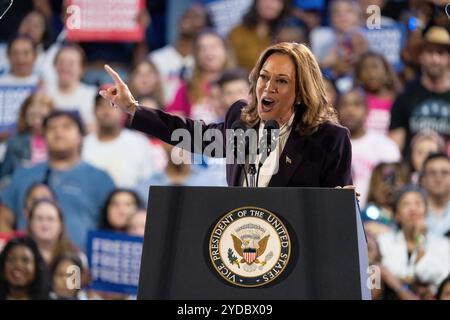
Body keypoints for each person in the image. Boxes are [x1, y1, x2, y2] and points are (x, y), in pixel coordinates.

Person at [100, 42, 353, 188]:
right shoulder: (242, 120)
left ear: (300, 91)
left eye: (282, 81)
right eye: (264, 77)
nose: (268, 87)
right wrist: (133, 107)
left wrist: (343, 204)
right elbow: (189, 134)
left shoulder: (329, 138)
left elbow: (336, 205)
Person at [0, 111, 115, 250]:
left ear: (81, 136)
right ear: (43, 137)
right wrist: (14, 250)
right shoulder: (22, 174)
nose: (58, 132)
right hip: (30, 264)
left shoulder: (100, 178)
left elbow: (114, 225)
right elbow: (3, 217)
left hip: (80, 265)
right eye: (51, 128)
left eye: (66, 127)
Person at [389, 26, 450, 156]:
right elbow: (395, 147)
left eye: (441, 53)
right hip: (412, 172)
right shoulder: (406, 95)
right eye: (429, 52)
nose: (435, 59)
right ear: (421, 56)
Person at [377, 185, 450, 292]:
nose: (413, 209)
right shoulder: (383, 242)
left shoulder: (442, 244)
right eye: (406, 204)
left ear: (426, 211)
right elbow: (380, 275)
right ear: (397, 214)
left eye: (418, 203)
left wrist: (419, 239)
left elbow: (437, 277)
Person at [337, 87, 400, 206]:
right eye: (344, 105)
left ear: (367, 109)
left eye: (357, 105)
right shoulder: (331, 147)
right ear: (336, 109)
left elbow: (394, 186)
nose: (350, 110)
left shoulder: (385, 145)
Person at [82, 94, 156, 188]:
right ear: (94, 111)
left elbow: (147, 182)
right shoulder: (83, 144)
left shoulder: (139, 142)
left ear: (124, 112)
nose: (106, 111)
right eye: (101, 105)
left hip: (132, 200)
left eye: (113, 105)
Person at [0, 92, 54, 181]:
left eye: (42, 117)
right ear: (25, 116)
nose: (37, 122)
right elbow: (4, 176)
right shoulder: (14, 142)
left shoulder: (60, 141)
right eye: (32, 116)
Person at [46, 44, 97, 132]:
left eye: (71, 64)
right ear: (54, 66)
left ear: (82, 68)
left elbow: (97, 128)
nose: (65, 67)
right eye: (61, 62)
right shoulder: (44, 94)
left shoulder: (93, 95)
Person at [27, 199, 78, 266]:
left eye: (50, 219)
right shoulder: (19, 254)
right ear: (30, 223)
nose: (45, 224)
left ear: (61, 225)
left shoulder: (76, 257)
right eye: (39, 218)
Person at [419, 153, 450, 237]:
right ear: (423, 179)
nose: (438, 178)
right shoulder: (415, 211)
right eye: (432, 173)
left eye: (445, 173)